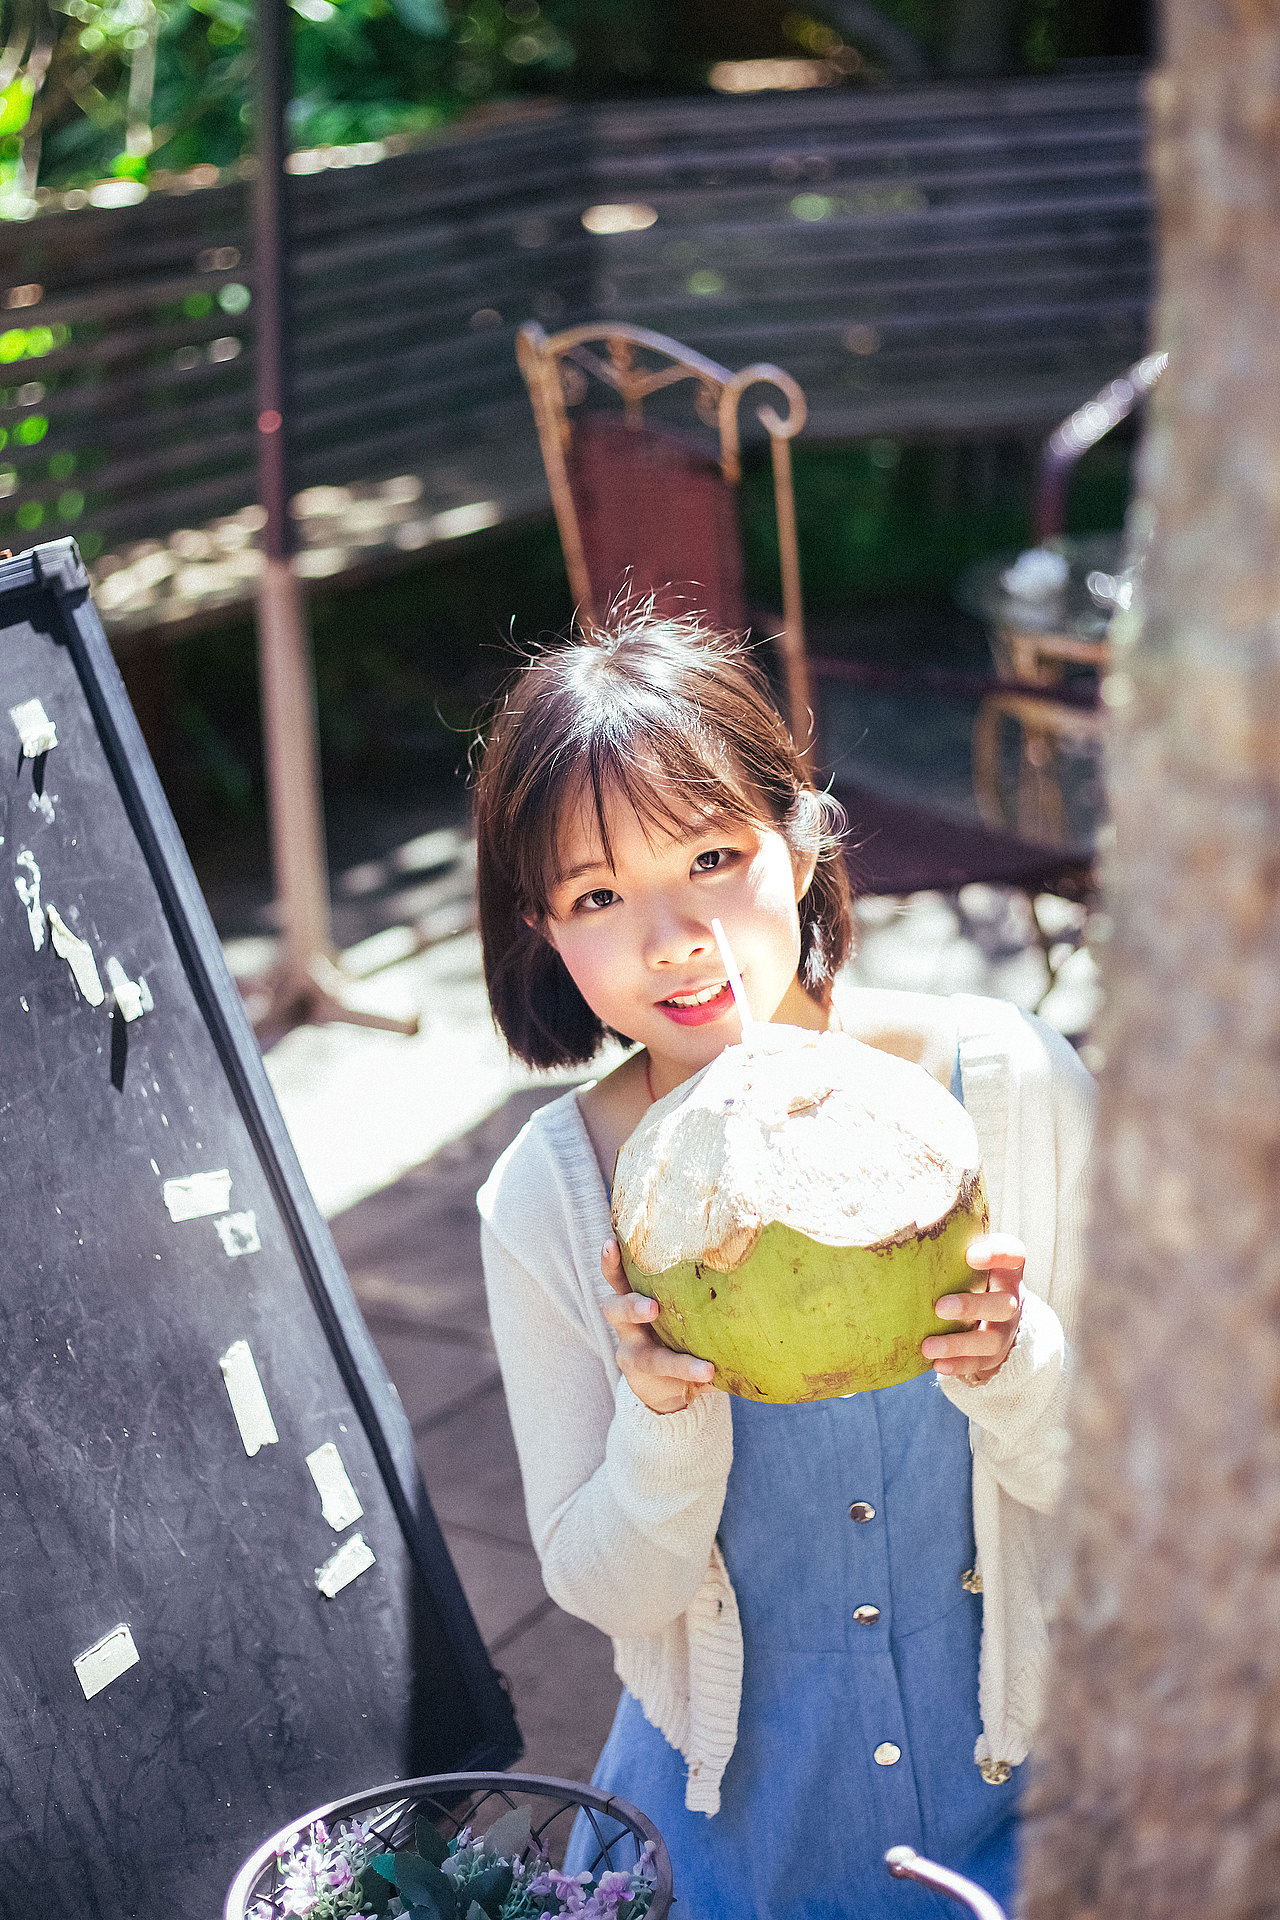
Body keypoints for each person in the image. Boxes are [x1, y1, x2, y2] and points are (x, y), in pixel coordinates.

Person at [473, 613, 1093, 1919]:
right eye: (598, 895)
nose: (675, 936)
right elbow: (603, 1586)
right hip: (728, 1833)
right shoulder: (549, 1195)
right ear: (544, 928)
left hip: (1027, 1808)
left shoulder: (1011, 1089)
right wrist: (662, 1413)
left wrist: (1020, 1362)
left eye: (711, 856)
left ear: (802, 841)